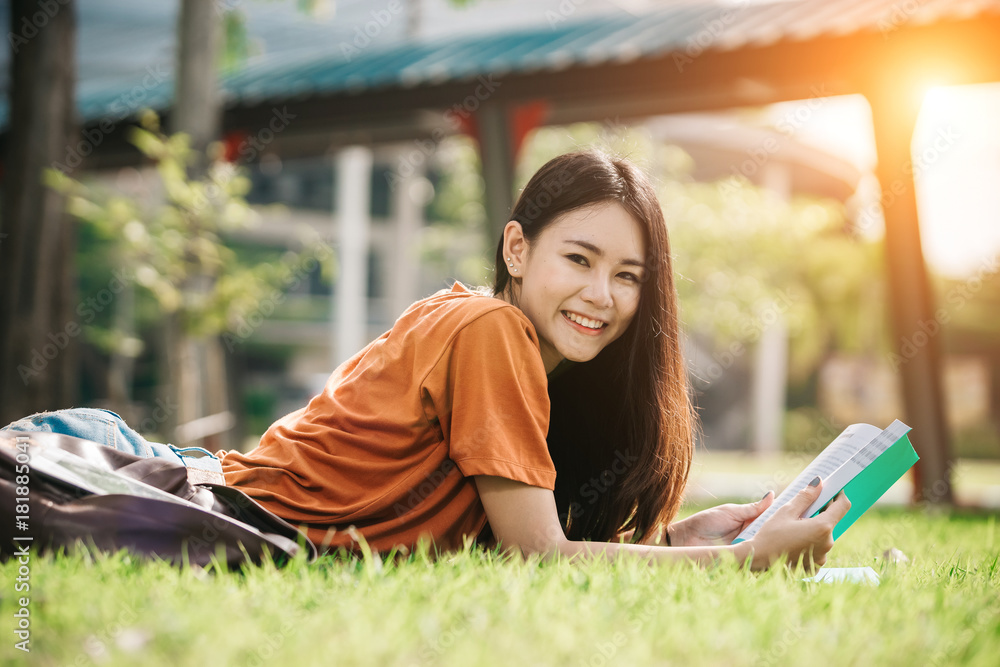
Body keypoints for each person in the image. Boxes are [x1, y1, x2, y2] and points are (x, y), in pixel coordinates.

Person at [2, 150, 849, 571]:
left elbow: (530, 535)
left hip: (182, 473)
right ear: (516, 248)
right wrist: (735, 562)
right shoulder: (491, 330)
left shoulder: (527, 361)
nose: (603, 295)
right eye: (580, 259)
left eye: (630, 276)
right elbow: (538, 556)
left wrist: (676, 536)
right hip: (195, 496)